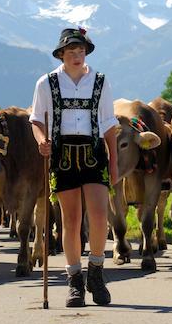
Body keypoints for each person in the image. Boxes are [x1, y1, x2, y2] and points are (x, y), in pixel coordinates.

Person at [30, 27, 119, 307]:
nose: (77, 56)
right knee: (70, 220)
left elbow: (109, 124)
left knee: (99, 215)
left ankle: (96, 272)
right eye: (71, 52)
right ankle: (74, 281)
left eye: (81, 51)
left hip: (93, 152)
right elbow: (36, 120)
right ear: (61, 54)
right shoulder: (46, 83)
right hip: (62, 155)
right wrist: (42, 140)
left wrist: (114, 163)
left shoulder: (100, 81)